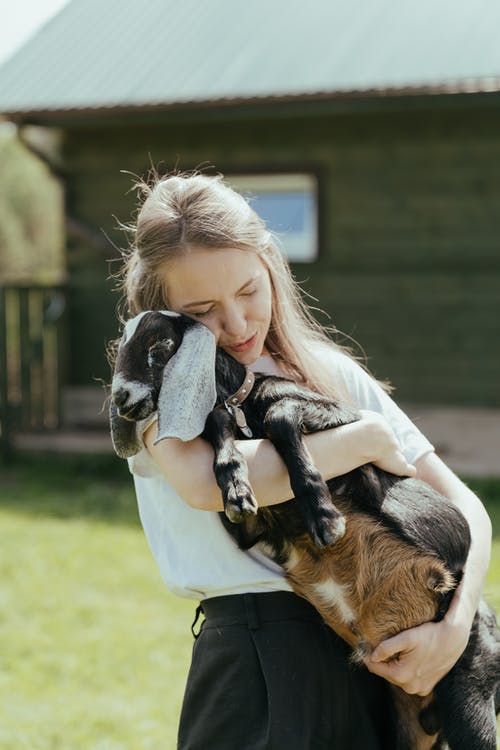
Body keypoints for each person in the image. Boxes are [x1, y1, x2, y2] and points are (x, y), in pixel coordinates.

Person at [114, 171, 492, 749]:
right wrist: (362, 440)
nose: (237, 324)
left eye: (248, 291)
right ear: (163, 309)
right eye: (204, 308)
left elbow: (465, 507)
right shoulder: (160, 386)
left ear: (270, 265)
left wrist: (458, 625)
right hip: (259, 664)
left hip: (379, 655)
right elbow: (207, 485)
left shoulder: (324, 371)